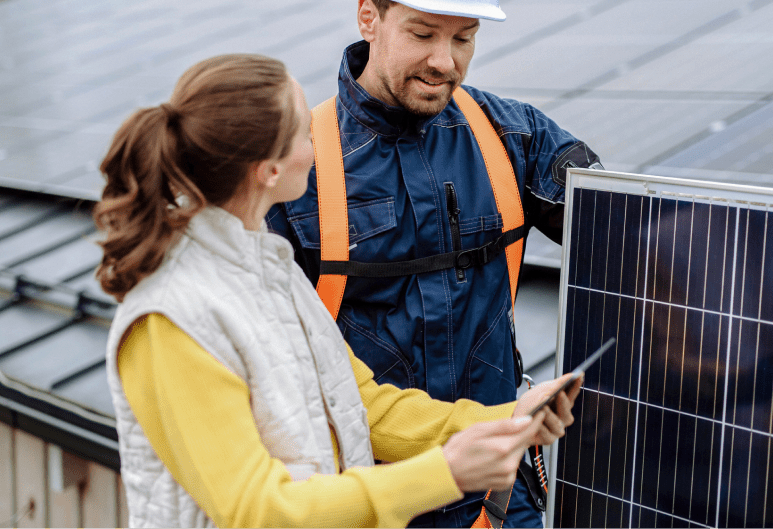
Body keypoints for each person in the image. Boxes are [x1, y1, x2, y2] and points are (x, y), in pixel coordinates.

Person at [265, 0, 773, 528]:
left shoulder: (512, 138)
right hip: (375, 504)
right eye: (423, 34)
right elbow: (281, 379)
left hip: (503, 503)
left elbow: (634, 232)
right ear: (368, 15)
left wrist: (754, 219)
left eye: (464, 37)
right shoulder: (297, 169)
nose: (446, 62)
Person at [96, 54, 580, 528]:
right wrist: (445, 473)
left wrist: (510, 417)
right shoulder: (170, 318)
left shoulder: (274, 274)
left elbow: (366, 406)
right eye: (302, 130)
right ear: (268, 169)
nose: (317, 136)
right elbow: (257, 510)